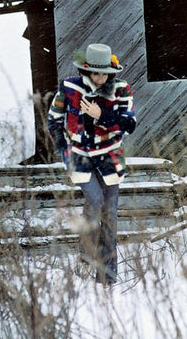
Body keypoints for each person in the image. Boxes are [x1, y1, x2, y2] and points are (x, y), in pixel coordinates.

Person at [47, 43, 137, 286]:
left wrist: (102, 115)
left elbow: (129, 123)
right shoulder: (69, 88)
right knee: (94, 200)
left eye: (104, 72)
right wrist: (65, 152)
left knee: (110, 214)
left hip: (111, 156)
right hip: (80, 154)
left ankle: (107, 275)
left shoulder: (121, 89)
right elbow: (53, 121)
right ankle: (86, 255)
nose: (100, 78)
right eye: (95, 72)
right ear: (86, 70)